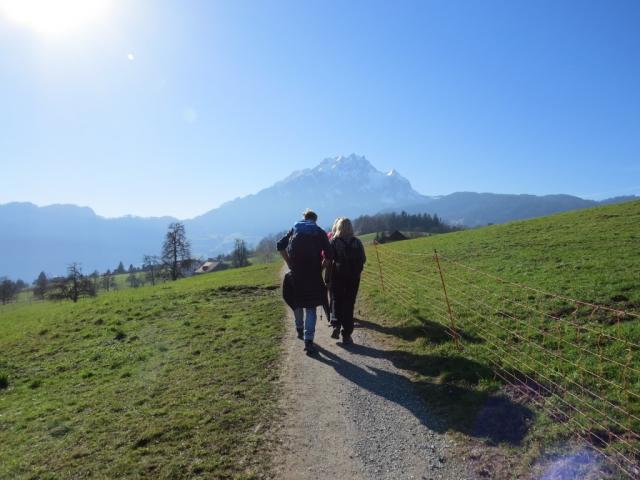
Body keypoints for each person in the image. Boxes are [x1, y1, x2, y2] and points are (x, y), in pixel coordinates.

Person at [277, 209, 332, 353]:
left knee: (297, 301)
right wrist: (320, 268)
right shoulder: (319, 232)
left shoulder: (294, 229)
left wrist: (289, 262)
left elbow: (280, 245)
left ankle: (299, 328)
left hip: (296, 273)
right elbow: (328, 256)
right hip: (313, 274)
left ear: (304, 218)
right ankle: (308, 340)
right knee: (311, 307)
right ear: (315, 220)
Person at [328, 217, 366, 344]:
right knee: (349, 304)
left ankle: (336, 325)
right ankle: (347, 335)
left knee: (336, 300)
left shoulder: (334, 242)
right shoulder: (357, 242)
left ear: (338, 227)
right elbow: (363, 259)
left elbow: (328, 259)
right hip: (354, 278)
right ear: (350, 228)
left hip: (337, 276)